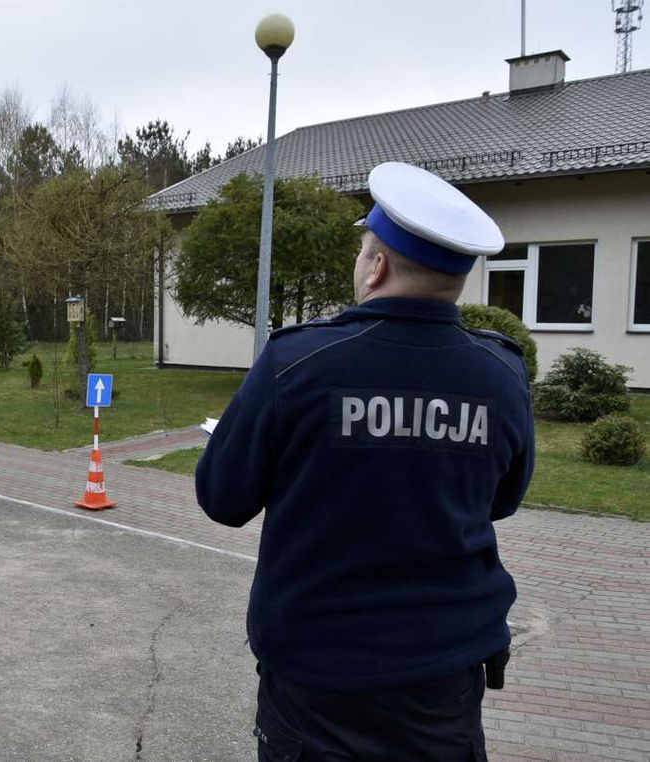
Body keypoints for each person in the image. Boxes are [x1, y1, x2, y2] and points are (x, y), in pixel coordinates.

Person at [196, 161, 535, 761]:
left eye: (362, 252)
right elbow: (502, 499)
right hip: (445, 677)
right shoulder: (502, 374)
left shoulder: (297, 363)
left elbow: (223, 500)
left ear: (376, 265)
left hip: (317, 681)